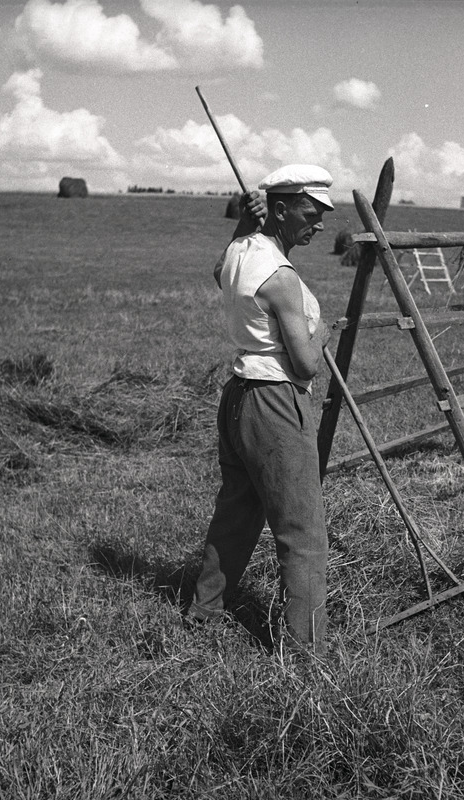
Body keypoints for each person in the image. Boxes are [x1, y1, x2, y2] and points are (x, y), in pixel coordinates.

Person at [188, 164, 334, 654]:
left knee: (238, 510)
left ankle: (204, 613)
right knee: (302, 530)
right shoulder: (282, 278)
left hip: (238, 399)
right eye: (310, 213)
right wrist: (327, 328)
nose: (319, 224)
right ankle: (306, 654)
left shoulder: (239, 253)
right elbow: (308, 364)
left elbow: (220, 271)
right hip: (275, 403)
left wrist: (244, 226)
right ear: (279, 209)